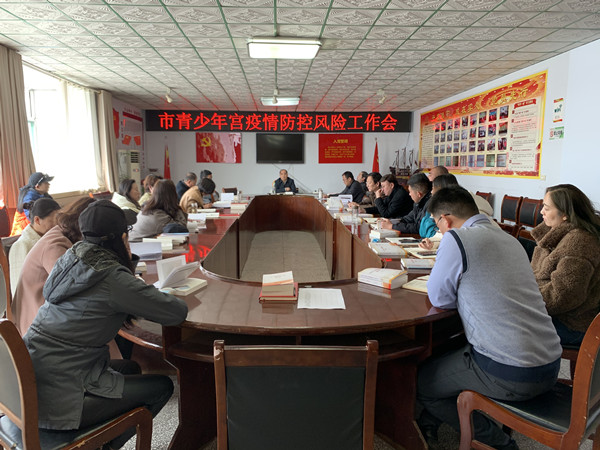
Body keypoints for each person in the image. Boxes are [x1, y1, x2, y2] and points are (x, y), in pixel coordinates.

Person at [22, 200, 188, 448]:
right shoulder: (111, 277)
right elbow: (175, 312)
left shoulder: (72, 257)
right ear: (122, 237)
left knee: (129, 368)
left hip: (34, 377)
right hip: (60, 399)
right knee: (162, 386)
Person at [417, 187, 562, 450]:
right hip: (550, 364)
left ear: (445, 220)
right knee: (451, 355)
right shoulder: (510, 239)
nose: (440, 230)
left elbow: (439, 298)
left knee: (424, 384)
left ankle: (500, 443)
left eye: (437, 224)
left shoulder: (457, 238)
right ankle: (433, 421)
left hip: (512, 373)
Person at [11, 197, 95, 336]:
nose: (57, 223)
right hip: (37, 323)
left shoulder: (56, 236)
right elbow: (73, 286)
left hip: (48, 313)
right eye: (54, 219)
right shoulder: (45, 245)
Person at [531, 184, 600, 345]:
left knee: (509, 328)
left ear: (565, 214)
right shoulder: (556, 233)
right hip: (551, 310)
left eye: (546, 208)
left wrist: (525, 301)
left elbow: (563, 295)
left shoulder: (580, 243)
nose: (541, 212)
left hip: (572, 324)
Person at [9, 198, 61, 296]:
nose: (57, 225)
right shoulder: (22, 246)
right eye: (54, 221)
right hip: (33, 302)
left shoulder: (49, 239)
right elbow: (20, 290)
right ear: (37, 220)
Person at [10, 172, 54, 237]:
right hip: (23, 232)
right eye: (46, 183)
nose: (49, 184)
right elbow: (32, 218)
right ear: (37, 186)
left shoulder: (44, 195)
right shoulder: (28, 197)